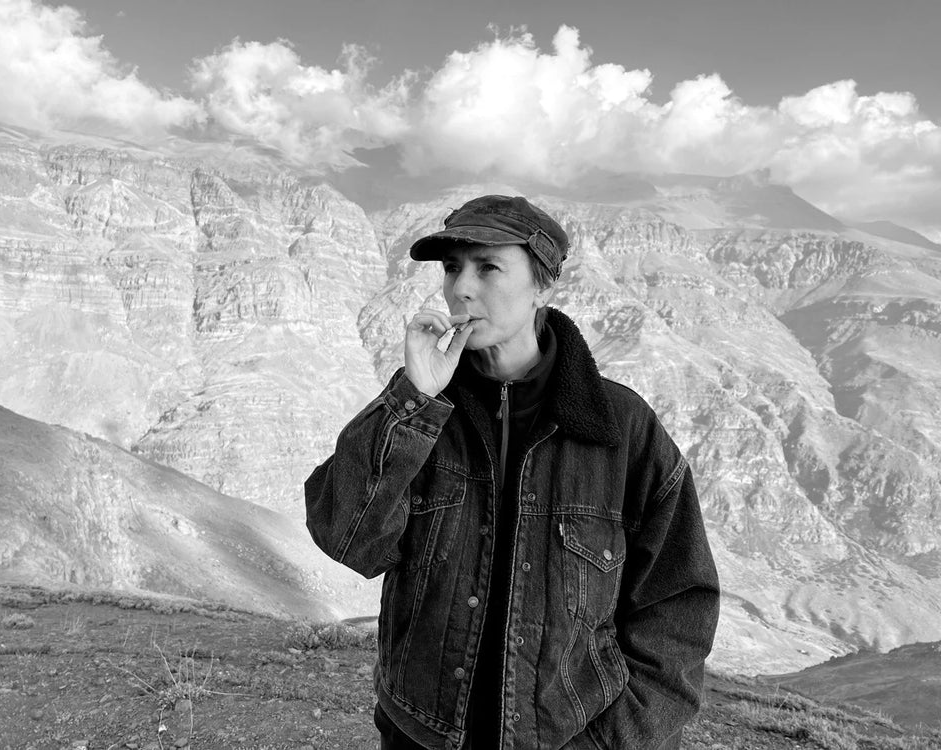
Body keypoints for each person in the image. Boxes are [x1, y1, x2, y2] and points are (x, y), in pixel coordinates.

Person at [305, 195, 720, 749]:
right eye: (453, 267)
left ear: (543, 287)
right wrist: (412, 400)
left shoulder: (622, 431)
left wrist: (614, 740)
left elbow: (678, 603)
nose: (461, 289)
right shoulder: (421, 412)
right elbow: (349, 539)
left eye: (488, 267)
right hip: (422, 736)